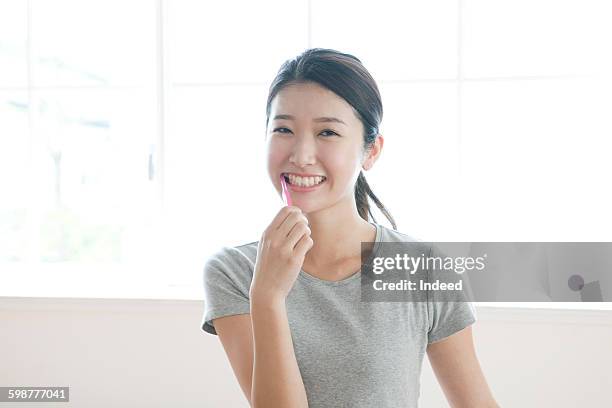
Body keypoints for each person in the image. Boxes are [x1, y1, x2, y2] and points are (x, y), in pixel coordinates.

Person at [201, 48, 499, 408]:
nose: (301, 154)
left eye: (327, 132)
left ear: (371, 151)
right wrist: (267, 296)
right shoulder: (234, 272)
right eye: (283, 129)